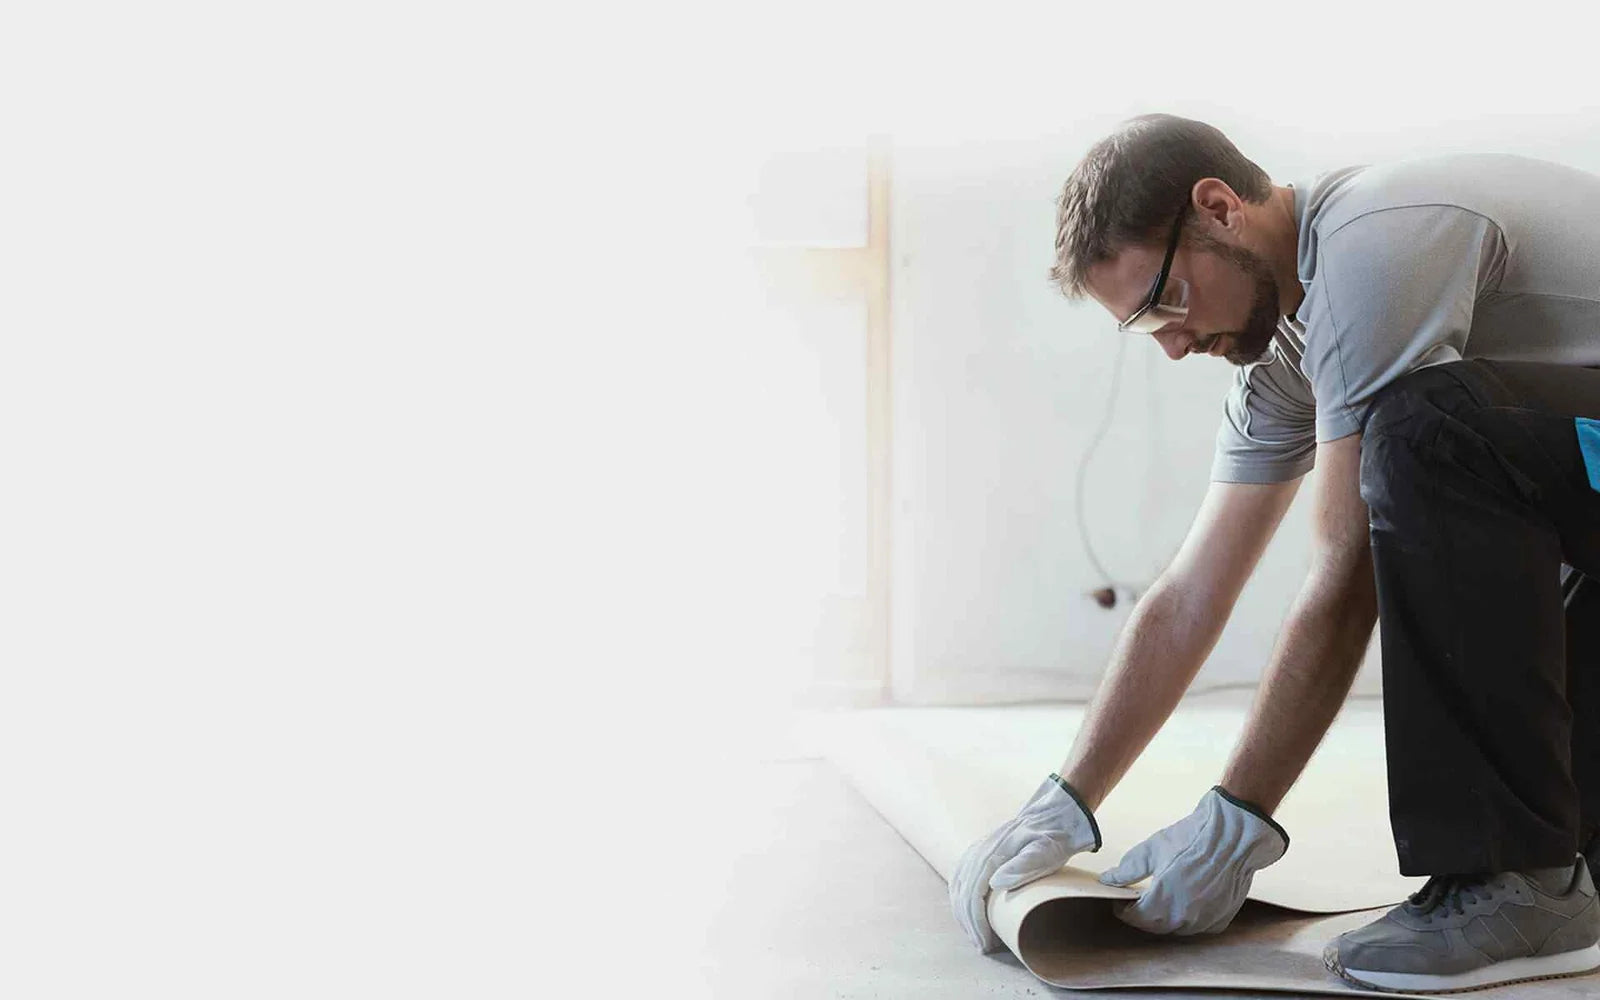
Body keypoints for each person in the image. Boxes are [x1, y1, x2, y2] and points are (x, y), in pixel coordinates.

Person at [948, 113, 1600, 994]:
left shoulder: (1370, 246)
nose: (1174, 344)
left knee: (1421, 434)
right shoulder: (1285, 362)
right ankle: (1550, 873)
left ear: (1218, 208)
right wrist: (1071, 796)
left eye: (1166, 301)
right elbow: (1189, 594)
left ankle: (1514, 880)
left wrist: (1240, 815)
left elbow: (1345, 575)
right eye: (1144, 328)